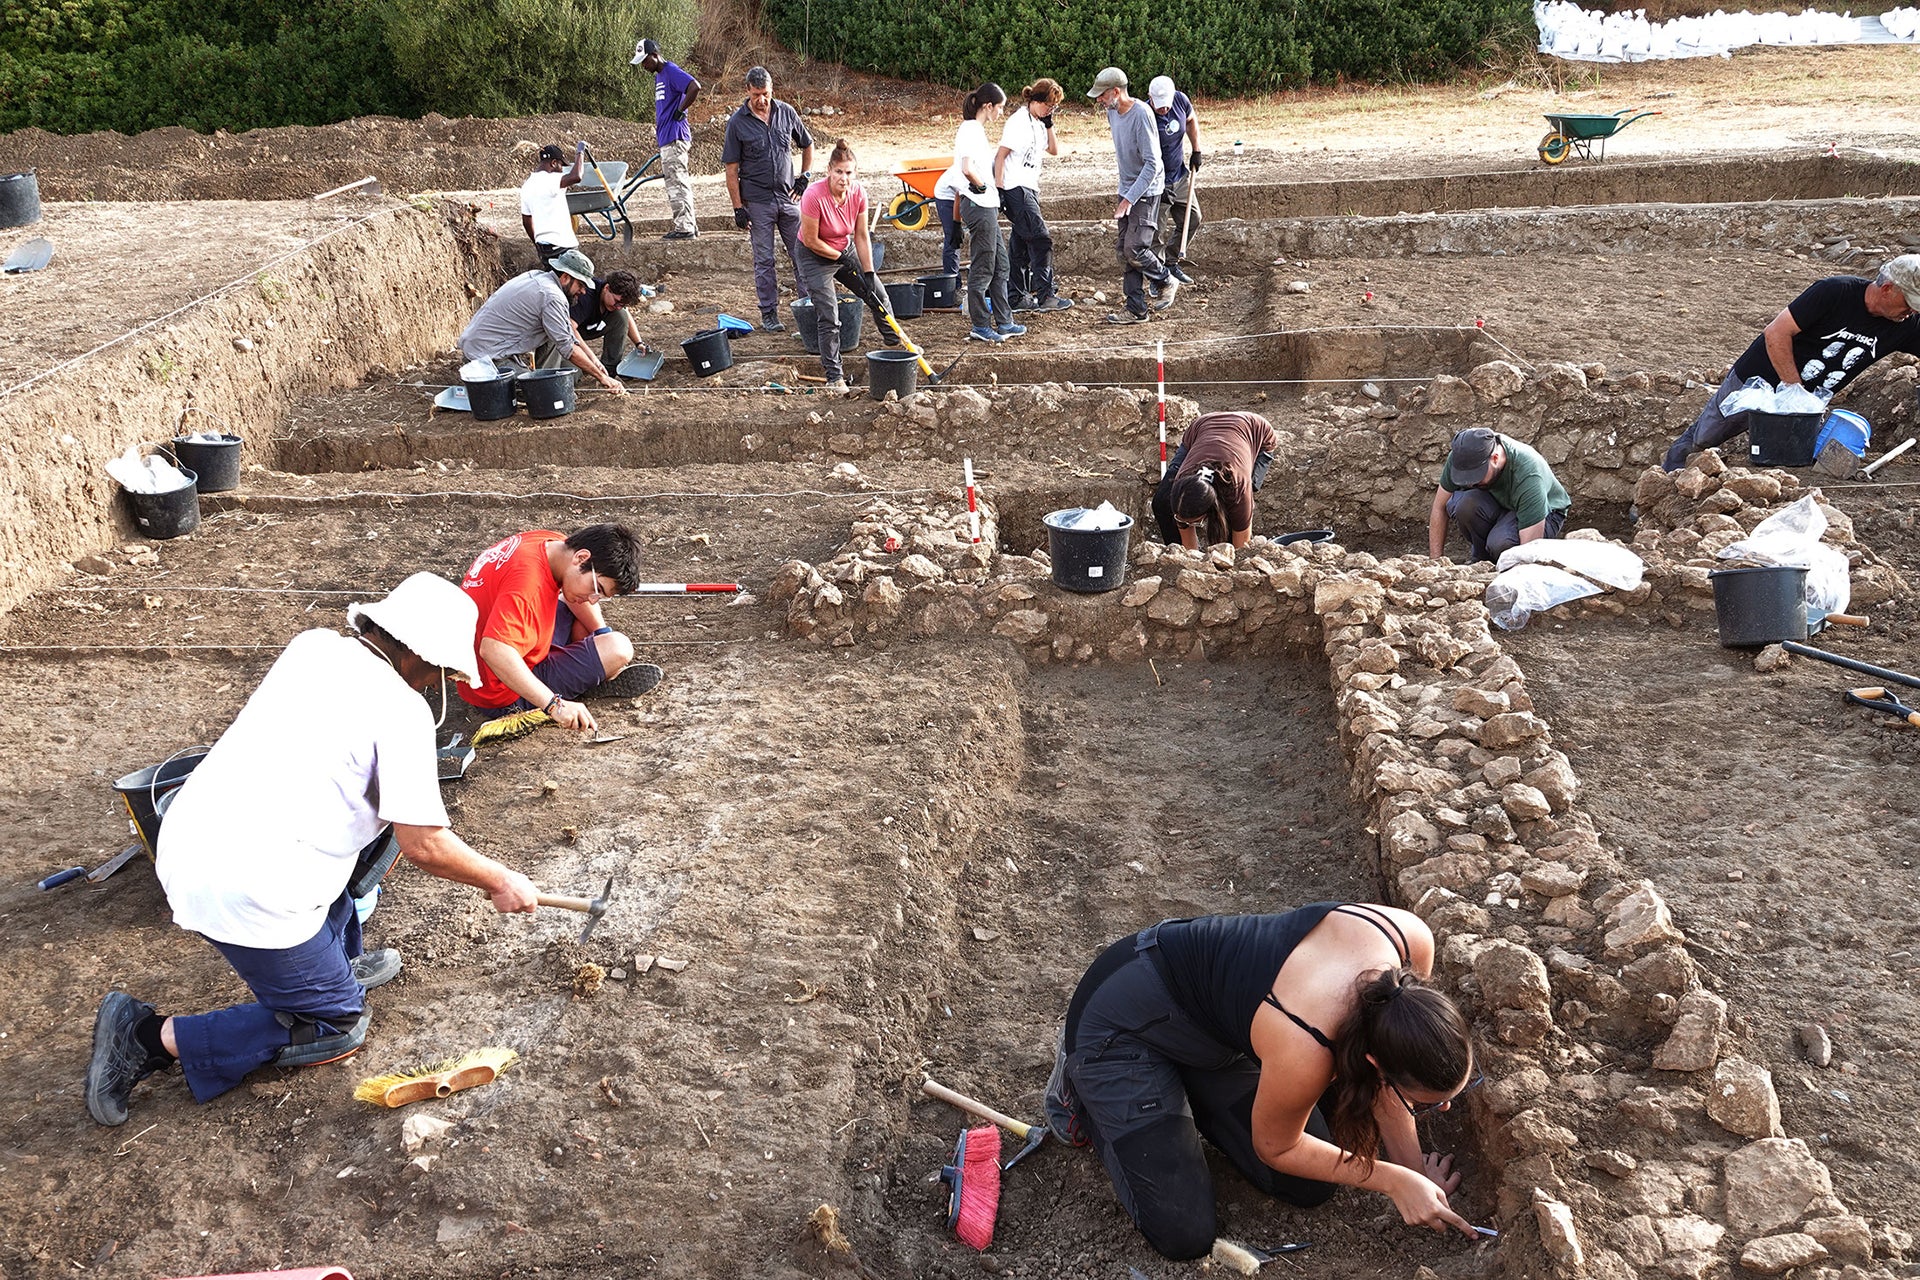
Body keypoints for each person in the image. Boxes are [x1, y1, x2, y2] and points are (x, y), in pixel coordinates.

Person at [84, 574, 542, 1126]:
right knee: (336, 1025)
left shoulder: (314, 646)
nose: (434, 683)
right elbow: (426, 844)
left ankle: (338, 962)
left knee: (366, 835)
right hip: (247, 883)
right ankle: (147, 1037)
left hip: (189, 834)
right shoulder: (403, 710)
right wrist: (499, 879)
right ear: (421, 656)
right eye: (441, 670)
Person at [1045, 904, 1480, 1261]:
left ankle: (1176, 1088)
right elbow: (1276, 1147)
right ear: (1375, 1063)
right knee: (1184, 1234)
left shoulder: (1412, 946)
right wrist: (1393, 1180)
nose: (1439, 1111)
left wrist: (1413, 1168)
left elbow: (1387, 1078)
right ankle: (1078, 1077)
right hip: (1122, 1024)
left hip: (1214, 1039)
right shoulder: (1306, 1049)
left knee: (1310, 1186)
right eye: (1426, 1104)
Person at [1662, 255, 1920, 471]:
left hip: (1806, 404)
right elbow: (1776, 332)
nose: (1913, 310)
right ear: (1887, 289)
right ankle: (1665, 484)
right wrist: (1792, 387)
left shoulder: (1906, 325)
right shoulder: (1834, 293)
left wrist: (1798, 401)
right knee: (1704, 437)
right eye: (1910, 302)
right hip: (1756, 380)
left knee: (1791, 461)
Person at [458, 524, 663, 736]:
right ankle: (583, 684)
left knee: (584, 621)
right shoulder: (527, 586)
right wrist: (555, 705)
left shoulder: (552, 545)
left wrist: (601, 633)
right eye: (597, 589)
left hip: (479, 665)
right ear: (581, 558)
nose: (594, 599)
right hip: (499, 692)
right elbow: (493, 650)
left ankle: (588, 667)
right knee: (619, 649)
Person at [458, 248, 627, 396]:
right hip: (485, 357)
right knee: (548, 395)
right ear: (566, 277)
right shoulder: (552, 297)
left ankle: (543, 375)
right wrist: (602, 377)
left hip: (487, 347)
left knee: (556, 374)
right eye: (581, 285)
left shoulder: (537, 276)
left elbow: (566, 333)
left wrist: (593, 363)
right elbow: (568, 348)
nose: (583, 291)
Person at [722, 66, 814, 333]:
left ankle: (809, 308)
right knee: (764, 260)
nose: (761, 100)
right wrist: (738, 208)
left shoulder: (786, 112)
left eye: (765, 94)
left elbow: (808, 144)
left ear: (772, 90)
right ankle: (769, 313)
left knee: (803, 254)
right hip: (758, 201)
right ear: (747, 91)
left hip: (788, 198)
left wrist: (804, 177)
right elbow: (731, 170)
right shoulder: (737, 123)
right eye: (756, 95)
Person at [1088, 66, 1174, 326]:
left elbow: (1153, 164)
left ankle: (1165, 279)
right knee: (1124, 252)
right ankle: (1136, 309)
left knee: (1135, 248)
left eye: (1102, 96)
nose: (1099, 101)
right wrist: (1124, 194)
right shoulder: (1112, 113)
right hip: (1127, 188)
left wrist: (1130, 198)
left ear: (1116, 92)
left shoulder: (1142, 115)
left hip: (1146, 191)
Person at [797, 139, 882, 394]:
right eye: (838, 172)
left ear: (855, 173)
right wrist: (838, 256)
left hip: (843, 249)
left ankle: (899, 342)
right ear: (829, 171)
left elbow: (862, 236)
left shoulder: (858, 193)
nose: (843, 178)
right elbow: (811, 240)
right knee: (829, 315)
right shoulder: (813, 195)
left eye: (848, 172)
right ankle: (835, 377)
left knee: (877, 292)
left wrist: (868, 273)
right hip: (814, 256)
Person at [944, 83, 1021, 344]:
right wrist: (982, 186)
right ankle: (979, 324)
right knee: (984, 265)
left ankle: (1005, 321)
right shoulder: (970, 130)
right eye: (999, 107)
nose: (1001, 113)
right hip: (979, 206)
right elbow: (966, 168)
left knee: (1001, 263)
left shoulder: (975, 130)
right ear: (987, 106)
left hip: (985, 206)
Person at [1427, 427, 1570, 563]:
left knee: (1502, 543)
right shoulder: (1463, 457)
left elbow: (1529, 550)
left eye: (1477, 476)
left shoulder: (1529, 473)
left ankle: (1499, 556)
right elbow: (1439, 508)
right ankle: (1481, 559)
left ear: (1495, 459)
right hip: (1501, 502)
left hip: (1546, 514)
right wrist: (1435, 562)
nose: (1470, 483)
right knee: (1465, 505)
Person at [996, 78, 1071, 312]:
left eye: (1054, 107)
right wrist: (999, 190)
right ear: (1036, 101)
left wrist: (1049, 123)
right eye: (1048, 106)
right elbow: (1000, 156)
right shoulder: (1018, 122)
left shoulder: (1040, 122)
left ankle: (1016, 297)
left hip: (1030, 186)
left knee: (1019, 246)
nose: (1050, 110)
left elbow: (1054, 150)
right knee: (1041, 240)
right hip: (1015, 187)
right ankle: (1046, 294)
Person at [1151, 410, 1278, 549]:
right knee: (1162, 502)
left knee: (1234, 511)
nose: (1187, 524)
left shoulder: (1238, 488)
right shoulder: (1181, 486)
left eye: (1196, 522)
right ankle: (1174, 553)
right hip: (1202, 426)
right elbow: (1190, 549)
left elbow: (1241, 548)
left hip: (1256, 429)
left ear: (1211, 509)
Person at [632, 37, 701, 240]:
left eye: (645, 60)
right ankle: (689, 225)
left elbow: (694, 86)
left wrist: (680, 111)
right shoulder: (659, 76)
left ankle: (685, 227)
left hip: (675, 136)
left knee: (677, 182)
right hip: (667, 137)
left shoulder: (670, 71)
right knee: (676, 181)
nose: (644, 65)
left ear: (655, 55)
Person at [1146, 75, 1201, 282]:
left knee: (1193, 218)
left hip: (1180, 176)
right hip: (1156, 183)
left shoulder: (1180, 100)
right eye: (1159, 105)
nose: (1164, 109)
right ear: (1149, 97)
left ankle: (1171, 263)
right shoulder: (1144, 114)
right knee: (1156, 232)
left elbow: (1191, 120)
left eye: (1166, 104)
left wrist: (1196, 150)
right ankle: (1158, 277)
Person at [569, 269, 649, 375]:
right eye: (617, 302)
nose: (618, 307)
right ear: (607, 288)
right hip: (567, 334)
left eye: (623, 305)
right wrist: (592, 359)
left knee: (620, 315)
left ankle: (610, 368)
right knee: (573, 374)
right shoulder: (586, 296)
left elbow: (625, 316)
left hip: (589, 327)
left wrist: (639, 344)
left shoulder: (615, 304)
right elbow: (570, 328)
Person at [520, 141, 586, 267]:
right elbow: (576, 176)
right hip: (563, 245)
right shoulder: (550, 179)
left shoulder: (526, 186)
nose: (562, 170)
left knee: (553, 282)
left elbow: (526, 222)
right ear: (554, 163)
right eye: (561, 165)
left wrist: (537, 243)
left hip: (544, 248)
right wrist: (580, 152)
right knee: (577, 283)